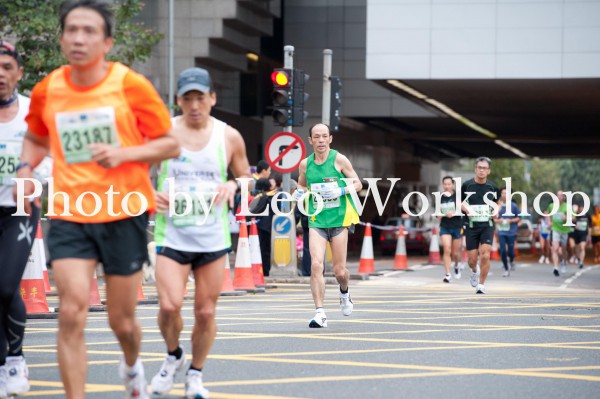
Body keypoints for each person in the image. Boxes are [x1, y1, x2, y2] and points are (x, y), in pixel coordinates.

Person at [14, 2, 180, 398]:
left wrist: (125, 154)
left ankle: (131, 364)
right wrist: (24, 168)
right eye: (71, 29)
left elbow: (170, 143)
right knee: (71, 312)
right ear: (60, 37)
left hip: (123, 211)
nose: (78, 38)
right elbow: (37, 138)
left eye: (89, 31)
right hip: (72, 211)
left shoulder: (129, 85)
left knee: (121, 322)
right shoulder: (48, 88)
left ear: (107, 42)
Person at [151, 67, 251, 398]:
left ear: (212, 98)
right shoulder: (163, 132)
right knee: (169, 305)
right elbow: (135, 170)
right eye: (187, 98)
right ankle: (173, 355)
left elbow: (246, 176)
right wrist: (148, 193)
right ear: (178, 100)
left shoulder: (229, 136)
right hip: (173, 234)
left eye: (200, 98)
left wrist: (232, 185)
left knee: (205, 311)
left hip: (212, 236)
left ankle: (195, 373)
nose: (194, 105)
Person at [0, 39, 39, 398]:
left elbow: (52, 159)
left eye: (7, 68)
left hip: (20, 211)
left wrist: (34, 185)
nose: (0, 75)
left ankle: (15, 358)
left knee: (5, 285)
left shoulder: (32, 114)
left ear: (19, 74)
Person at [294, 123, 362, 328]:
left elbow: (358, 183)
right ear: (310, 140)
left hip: (340, 219)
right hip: (317, 220)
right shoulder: (306, 164)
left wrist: (341, 191)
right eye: (317, 137)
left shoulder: (339, 159)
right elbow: (301, 184)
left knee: (340, 271)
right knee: (316, 265)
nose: (321, 140)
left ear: (330, 139)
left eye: (324, 136)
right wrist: (299, 193)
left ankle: (344, 293)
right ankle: (320, 313)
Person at [460, 157, 501, 294]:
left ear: (488, 171)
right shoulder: (466, 186)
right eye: (479, 168)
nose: (482, 170)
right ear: (475, 169)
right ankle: (474, 271)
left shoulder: (493, 187)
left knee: (485, 255)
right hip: (471, 225)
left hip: (487, 225)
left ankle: (481, 285)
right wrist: (466, 209)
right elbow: (459, 203)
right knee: (472, 260)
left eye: (484, 168)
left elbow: (497, 203)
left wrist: (496, 211)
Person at [438, 176, 462, 283]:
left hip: (456, 226)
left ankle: (456, 265)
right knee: (447, 249)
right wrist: (442, 214)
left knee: (455, 253)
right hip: (445, 226)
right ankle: (448, 274)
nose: (447, 186)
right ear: (443, 185)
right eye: (445, 184)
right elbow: (437, 214)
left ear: (452, 185)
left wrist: (454, 213)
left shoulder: (458, 196)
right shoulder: (440, 197)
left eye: (449, 184)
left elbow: (463, 210)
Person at [493, 187, 521, 277]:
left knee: (511, 251)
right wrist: (498, 220)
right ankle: (506, 268)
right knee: (503, 250)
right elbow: (493, 218)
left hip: (511, 231)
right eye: (502, 193)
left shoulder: (513, 206)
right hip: (501, 231)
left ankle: (512, 260)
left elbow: (519, 218)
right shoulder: (498, 206)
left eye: (506, 193)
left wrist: (511, 220)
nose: (504, 195)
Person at [547, 191, 571, 277]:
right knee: (555, 248)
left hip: (564, 230)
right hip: (555, 229)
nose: (559, 197)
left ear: (564, 197)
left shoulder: (567, 207)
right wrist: (549, 222)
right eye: (558, 195)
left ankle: (564, 262)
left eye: (561, 196)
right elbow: (548, 214)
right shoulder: (551, 206)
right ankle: (555, 268)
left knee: (563, 250)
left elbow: (574, 218)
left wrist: (566, 218)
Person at [572, 204, 589, 269]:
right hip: (576, 234)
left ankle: (581, 262)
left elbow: (589, 226)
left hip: (584, 234)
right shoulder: (576, 216)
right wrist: (574, 225)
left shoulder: (587, 217)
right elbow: (571, 223)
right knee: (577, 248)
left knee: (582, 247)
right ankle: (578, 258)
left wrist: (589, 235)